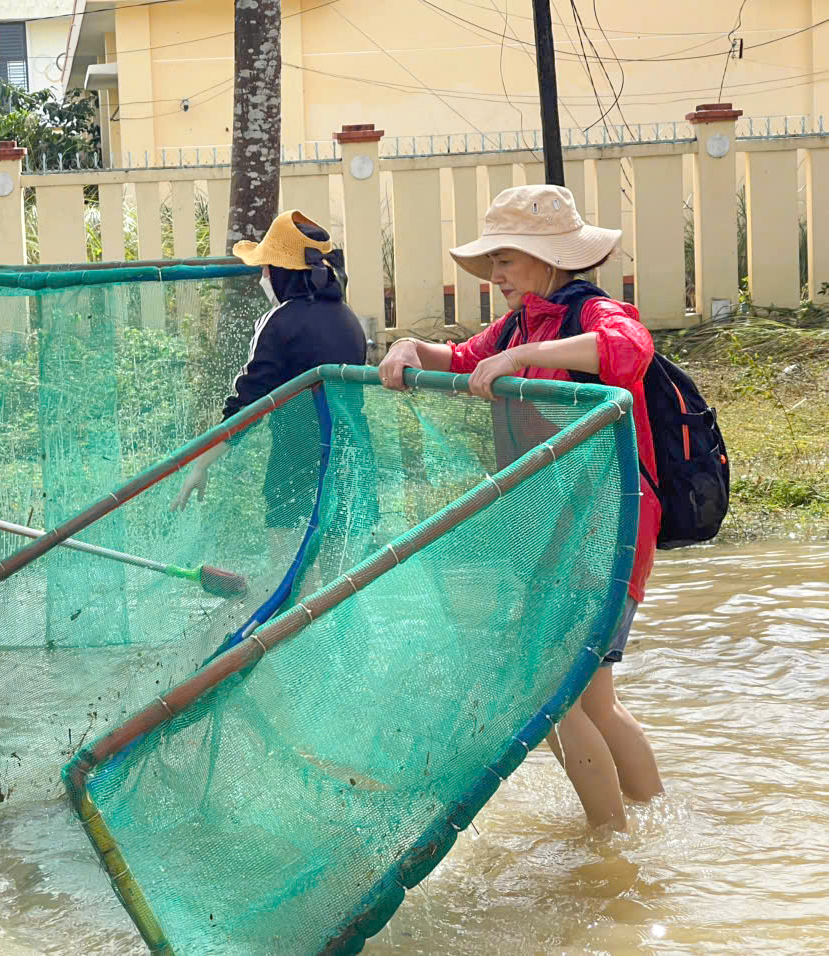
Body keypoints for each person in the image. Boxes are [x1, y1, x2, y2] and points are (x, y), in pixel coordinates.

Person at [378, 184, 664, 830]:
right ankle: (652, 829)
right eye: (494, 262)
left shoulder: (592, 313)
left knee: (551, 699)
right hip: (564, 532)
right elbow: (459, 359)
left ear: (550, 258)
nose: (496, 274)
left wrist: (524, 356)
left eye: (507, 259)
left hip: (609, 530)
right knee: (594, 701)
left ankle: (609, 847)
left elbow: (630, 350)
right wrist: (406, 349)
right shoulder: (517, 324)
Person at [172, 210, 375, 579]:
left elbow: (247, 404)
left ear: (281, 273)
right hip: (350, 463)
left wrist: (201, 463)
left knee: (292, 583)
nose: (263, 277)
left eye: (266, 268)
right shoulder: (350, 319)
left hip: (295, 463)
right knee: (339, 586)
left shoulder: (279, 321)